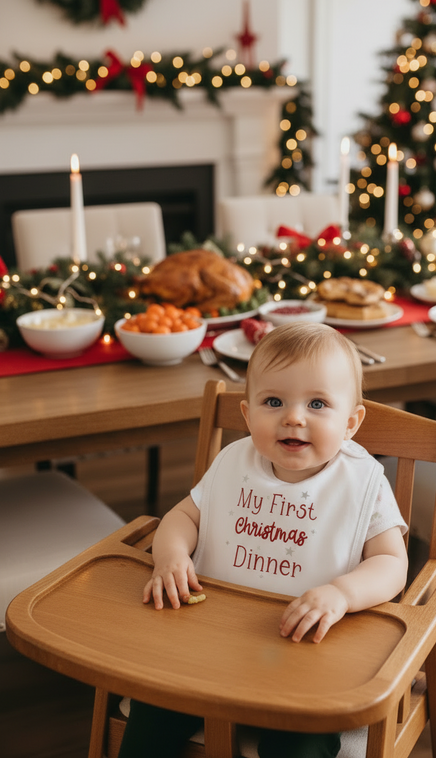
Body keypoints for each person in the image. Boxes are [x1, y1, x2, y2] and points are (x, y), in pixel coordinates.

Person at [118, 322, 408, 758]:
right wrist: (172, 555)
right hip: (209, 645)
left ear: (350, 423)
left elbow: (392, 562)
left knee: (304, 740)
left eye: (317, 403)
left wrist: (341, 594)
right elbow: (182, 516)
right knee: (153, 711)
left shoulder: (362, 481)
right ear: (248, 414)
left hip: (307, 656)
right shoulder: (234, 462)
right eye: (274, 401)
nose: (294, 416)